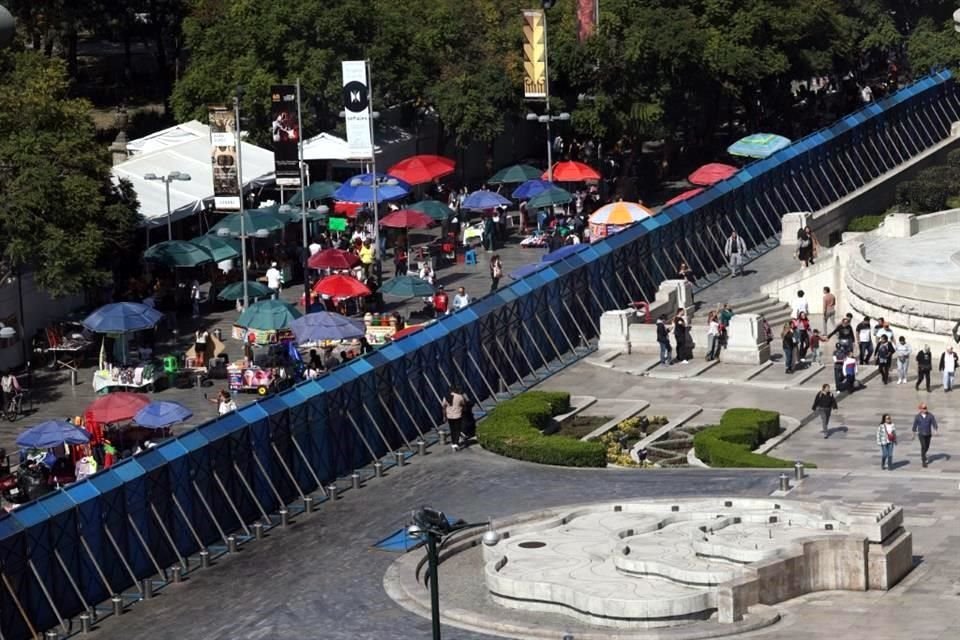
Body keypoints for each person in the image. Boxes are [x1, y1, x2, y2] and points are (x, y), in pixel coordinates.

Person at [911, 403, 938, 467]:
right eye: (924, 408)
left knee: (927, 447)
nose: (925, 409)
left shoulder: (930, 415)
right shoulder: (917, 416)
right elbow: (914, 426)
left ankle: (923, 455)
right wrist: (913, 434)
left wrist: (935, 430)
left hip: (928, 434)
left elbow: (934, 422)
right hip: (921, 434)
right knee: (923, 446)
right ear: (920, 409)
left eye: (926, 407)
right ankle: (924, 461)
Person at [441, 385, 467, 450]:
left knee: (452, 430)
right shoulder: (459, 397)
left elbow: (444, 408)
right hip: (458, 415)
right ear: (455, 390)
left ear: (450, 390)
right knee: (457, 429)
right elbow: (463, 404)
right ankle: (456, 443)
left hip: (449, 416)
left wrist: (444, 416)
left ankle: (453, 443)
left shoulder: (446, 397)